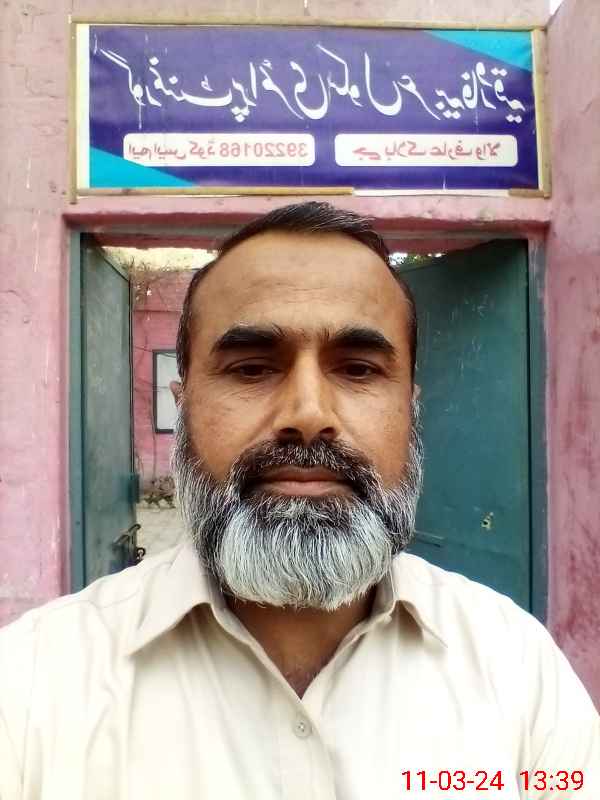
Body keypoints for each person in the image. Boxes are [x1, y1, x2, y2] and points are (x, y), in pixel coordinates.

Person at [0, 202, 598, 799]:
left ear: (409, 410)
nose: (308, 415)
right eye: (251, 369)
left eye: (358, 369)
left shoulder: (518, 671)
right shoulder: (33, 685)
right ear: (183, 410)